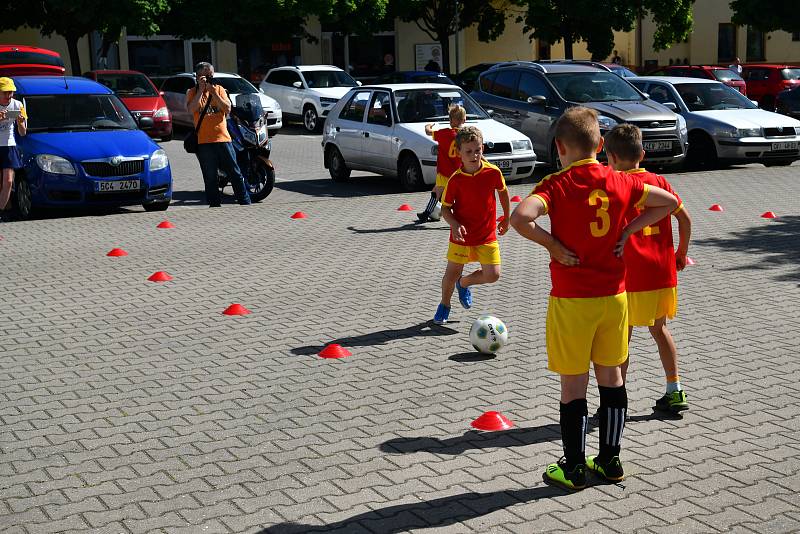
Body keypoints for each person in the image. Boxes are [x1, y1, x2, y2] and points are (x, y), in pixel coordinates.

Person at [510, 107, 678, 491]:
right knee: (613, 377)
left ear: (559, 148)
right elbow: (668, 202)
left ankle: (571, 468)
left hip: (573, 300)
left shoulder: (556, 184)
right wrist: (628, 231)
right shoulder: (619, 179)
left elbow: (521, 218)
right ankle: (610, 460)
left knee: (573, 386)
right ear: (601, 145)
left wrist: (552, 244)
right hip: (614, 298)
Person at [604, 124, 692, 413]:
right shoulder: (660, 182)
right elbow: (685, 219)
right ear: (642, 153)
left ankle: (617, 401)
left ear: (610, 156)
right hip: (660, 271)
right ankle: (674, 389)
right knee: (660, 330)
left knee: (622, 336)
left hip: (630, 274)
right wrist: (681, 253)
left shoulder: (615, 185)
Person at [434, 126, 510, 325]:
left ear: (482, 148)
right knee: (451, 274)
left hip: (486, 234)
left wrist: (507, 217)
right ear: (459, 153)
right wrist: (454, 225)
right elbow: (445, 209)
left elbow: (503, 192)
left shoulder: (493, 173)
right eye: (469, 151)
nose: (474, 155)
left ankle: (464, 283)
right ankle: (444, 305)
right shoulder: (455, 180)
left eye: (478, 150)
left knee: (493, 275)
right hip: (462, 237)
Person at [186, 62, 251, 207]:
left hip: (223, 139)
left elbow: (227, 109)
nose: (209, 78)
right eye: (205, 76)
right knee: (210, 177)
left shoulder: (220, 89)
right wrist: (201, 90)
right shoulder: (191, 92)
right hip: (204, 141)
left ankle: (244, 201)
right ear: (197, 77)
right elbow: (191, 110)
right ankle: (214, 205)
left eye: (210, 75)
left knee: (235, 173)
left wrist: (213, 92)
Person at [418, 104, 467, 222]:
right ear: (464, 119)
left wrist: (428, 125)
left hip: (445, 172)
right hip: (460, 172)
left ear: (450, 120)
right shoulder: (466, 135)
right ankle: (428, 213)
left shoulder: (445, 133)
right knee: (455, 195)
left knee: (437, 193)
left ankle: (428, 213)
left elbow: (428, 132)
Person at [0, 77, 27, 222]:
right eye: (5, 92)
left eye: (11, 92)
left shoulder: (17, 105)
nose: (9, 96)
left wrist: (21, 123)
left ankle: (1, 212)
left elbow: (23, 133)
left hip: (9, 145)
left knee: (9, 181)